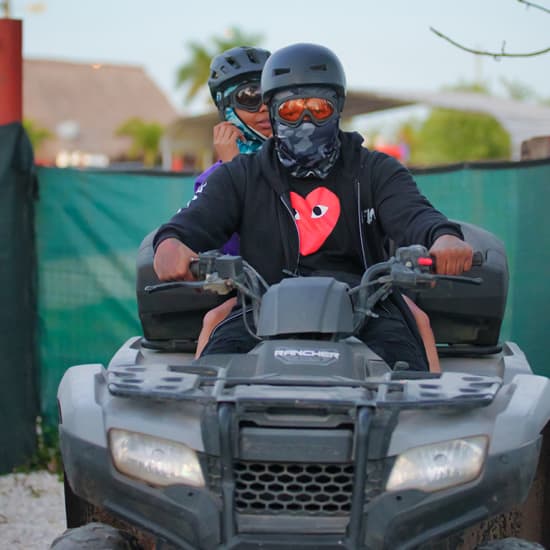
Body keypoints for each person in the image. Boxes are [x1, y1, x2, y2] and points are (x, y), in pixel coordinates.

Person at [153, 43, 473, 372]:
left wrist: (443, 237)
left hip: (368, 306)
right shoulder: (241, 175)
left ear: (338, 108)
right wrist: (171, 243)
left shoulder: (374, 169)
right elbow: (195, 220)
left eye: (318, 108)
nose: (305, 120)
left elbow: (414, 213)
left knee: (413, 382)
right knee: (209, 380)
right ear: (272, 110)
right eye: (291, 110)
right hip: (262, 307)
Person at [192, 46, 272, 358]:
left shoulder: (307, 164)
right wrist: (233, 168)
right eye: (249, 97)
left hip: (321, 287)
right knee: (214, 321)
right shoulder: (213, 178)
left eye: (271, 95)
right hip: (253, 294)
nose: (264, 108)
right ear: (227, 110)